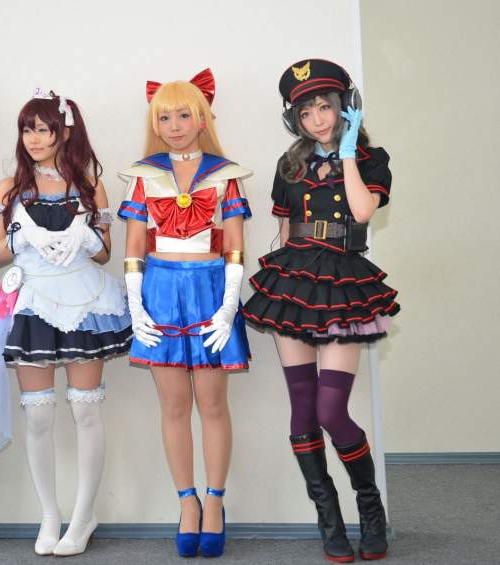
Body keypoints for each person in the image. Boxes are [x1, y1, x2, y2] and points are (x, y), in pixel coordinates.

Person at [242, 59, 397, 562]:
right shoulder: (290, 165)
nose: (317, 119)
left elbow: (362, 211)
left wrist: (347, 153)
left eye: (325, 107)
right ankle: (328, 519)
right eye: (306, 113)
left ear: (344, 107)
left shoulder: (371, 159)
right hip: (294, 282)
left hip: (342, 284)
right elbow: (285, 231)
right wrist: (280, 279)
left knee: (332, 411)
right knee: (303, 408)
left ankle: (370, 509)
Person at [0, 89, 131, 556]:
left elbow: (105, 253)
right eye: (27, 129)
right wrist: (22, 237)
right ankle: (49, 515)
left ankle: (84, 515)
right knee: (39, 414)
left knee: (86, 409)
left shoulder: (89, 186)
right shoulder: (9, 187)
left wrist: (85, 239)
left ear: (64, 133)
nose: (33, 138)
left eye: (43, 129)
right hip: (33, 300)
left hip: (83, 300)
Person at [117, 69, 252, 558]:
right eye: (164, 117)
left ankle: (215, 501)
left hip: (211, 290)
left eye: (183, 116)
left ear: (202, 118)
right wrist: (136, 306)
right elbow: (134, 247)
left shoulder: (225, 174)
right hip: (159, 292)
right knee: (173, 404)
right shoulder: (144, 175)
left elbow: (234, 246)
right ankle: (186, 502)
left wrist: (228, 307)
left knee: (212, 403)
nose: (174, 126)